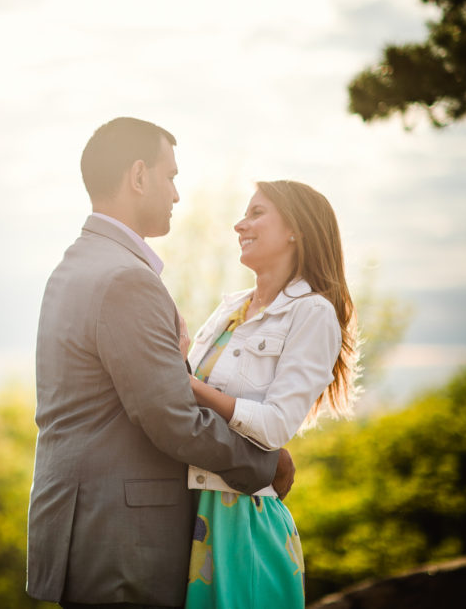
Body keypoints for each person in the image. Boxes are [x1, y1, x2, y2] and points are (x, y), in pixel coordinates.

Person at [27, 117, 295, 608]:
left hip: (85, 527)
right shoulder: (124, 280)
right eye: (170, 176)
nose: (176, 194)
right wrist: (262, 461)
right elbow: (169, 418)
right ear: (138, 176)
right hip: (122, 541)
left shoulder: (74, 266)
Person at [182, 180, 359, 608]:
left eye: (257, 213)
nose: (240, 224)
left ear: (295, 229)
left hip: (243, 523)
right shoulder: (232, 306)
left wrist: (189, 386)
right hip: (189, 510)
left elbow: (277, 425)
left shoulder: (313, 312)